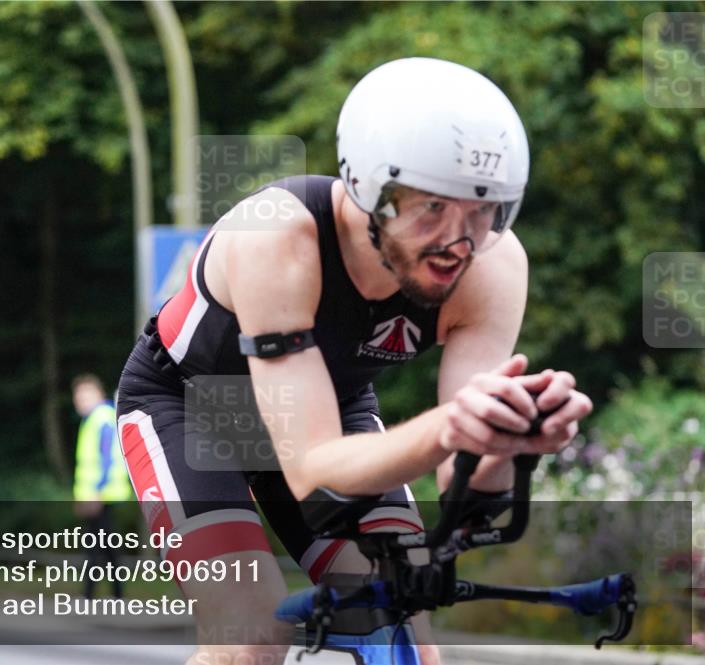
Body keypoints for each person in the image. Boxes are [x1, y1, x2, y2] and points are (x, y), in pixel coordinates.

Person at [115, 57, 593, 665]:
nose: (458, 242)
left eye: (484, 210)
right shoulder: (279, 236)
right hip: (192, 407)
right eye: (432, 210)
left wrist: (505, 441)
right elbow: (315, 472)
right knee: (252, 636)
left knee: (404, 634)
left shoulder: (494, 267)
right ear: (370, 188)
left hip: (329, 413)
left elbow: (465, 489)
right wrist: (450, 426)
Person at [72, 373, 133, 599]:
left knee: (97, 547)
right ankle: (114, 595)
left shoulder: (101, 418)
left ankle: (91, 596)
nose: (81, 401)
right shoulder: (95, 419)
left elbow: (107, 459)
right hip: (98, 494)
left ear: (98, 394)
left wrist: (95, 493)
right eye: (78, 396)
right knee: (104, 546)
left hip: (102, 494)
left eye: (85, 395)